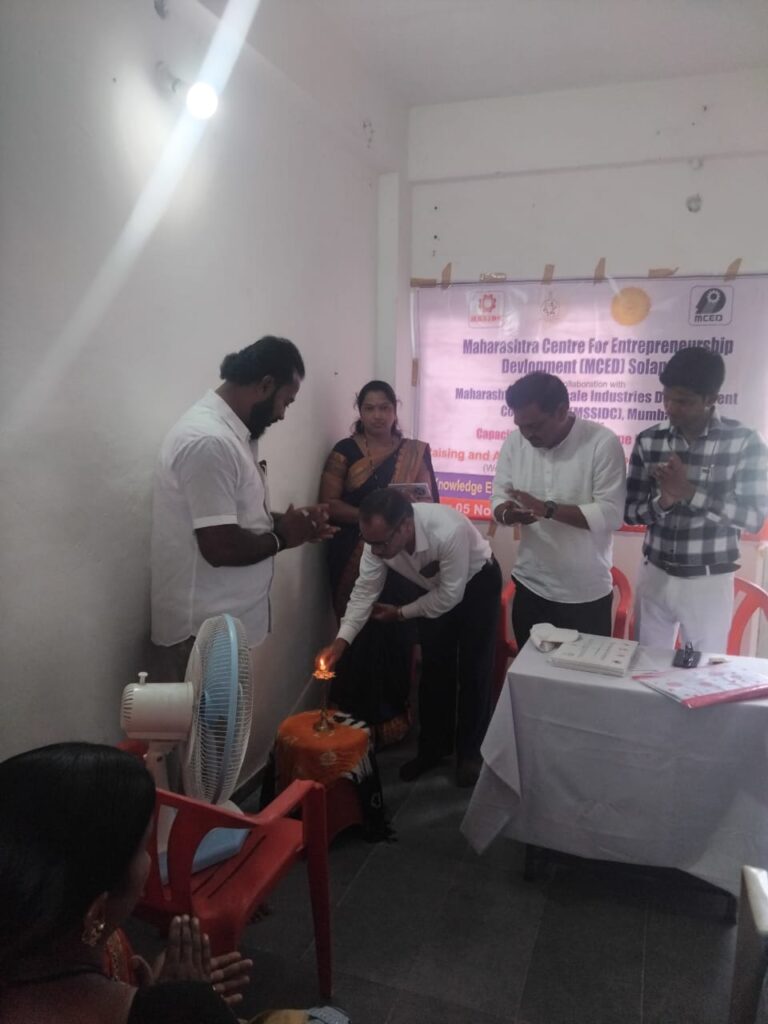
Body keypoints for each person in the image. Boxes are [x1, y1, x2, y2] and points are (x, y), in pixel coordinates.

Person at [0, 742, 251, 1023]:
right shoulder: (186, 1010)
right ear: (96, 912)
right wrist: (178, 1007)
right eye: (144, 847)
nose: (149, 861)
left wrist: (153, 997)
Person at [151, 336, 335, 679]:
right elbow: (219, 546)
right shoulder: (209, 441)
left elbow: (232, 518)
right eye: (286, 401)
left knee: (225, 715)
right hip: (201, 633)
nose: (282, 414)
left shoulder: (235, 436)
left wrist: (292, 524)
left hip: (222, 628)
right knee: (205, 717)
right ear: (265, 385)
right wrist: (283, 537)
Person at [317, 489, 501, 788]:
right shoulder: (377, 542)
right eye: (369, 542)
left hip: (477, 583)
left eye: (382, 543)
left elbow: (450, 596)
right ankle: (433, 748)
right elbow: (364, 593)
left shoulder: (448, 530)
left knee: (473, 669)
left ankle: (470, 753)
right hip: (432, 590)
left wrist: (401, 613)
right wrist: (341, 643)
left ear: (405, 525)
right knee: (435, 668)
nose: (376, 551)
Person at [318, 380, 439, 744]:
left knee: (395, 630)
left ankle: (391, 717)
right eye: (369, 408)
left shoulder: (415, 451)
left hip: (402, 553)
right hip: (350, 553)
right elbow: (328, 504)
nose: (377, 415)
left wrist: (397, 520)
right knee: (358, 628)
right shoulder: (344, 451)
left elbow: (429, 503)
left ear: (395, 410)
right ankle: (348, 714)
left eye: (384, 407)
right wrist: (374, 519)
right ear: (359, 411)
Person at [625, 346, 768, 652]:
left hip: (708, 581)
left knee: (702, 672)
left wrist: (689, 492)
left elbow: (752, 518)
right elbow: (631, 512)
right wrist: (663, 502)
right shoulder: (649, 440)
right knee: (645, 667)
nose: (671, 408)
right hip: (654, 574)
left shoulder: (744, 442)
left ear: (711, 399)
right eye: (666, 398)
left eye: (683, 401)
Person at [492, 372, 627, 649]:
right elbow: (499, 497)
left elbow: (611, 514)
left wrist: (548, 510)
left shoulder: (601, 442)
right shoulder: (515, 443)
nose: (528, 434)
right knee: (532, 671)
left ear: (562, 411)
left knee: (582, 674)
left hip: (586, 594)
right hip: (531, 585)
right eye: (521, 426)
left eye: (535, 425)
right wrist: (507, 514)